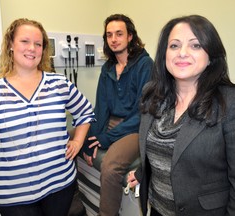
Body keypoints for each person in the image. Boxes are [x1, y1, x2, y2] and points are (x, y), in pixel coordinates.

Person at [127, 15, 235, 216]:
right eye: (174, 45)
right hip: (157, 208)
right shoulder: (152, 94)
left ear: (212, 56)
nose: (182, 53)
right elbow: (161, 150)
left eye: (196, 46)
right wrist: (142, 172)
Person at [0, 18, 95, 216]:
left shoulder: (59, 83)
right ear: (10, 44)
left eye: (38, 44)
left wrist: (77, 141)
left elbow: (85, 112)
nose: (32, 48)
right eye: (25, 41)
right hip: (14, 196)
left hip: (60, 184)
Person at [82, 14, 153, 216]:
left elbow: (142, 114)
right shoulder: (107, 68)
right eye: (109, 35)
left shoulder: (145, 65)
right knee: (73, 136)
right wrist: (91, 138)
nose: (113, 39)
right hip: (114, 122)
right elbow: (101, 108)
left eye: (119, 34)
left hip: (136, 127)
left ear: (130, 36)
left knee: (111, 166)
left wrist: (106, 138)